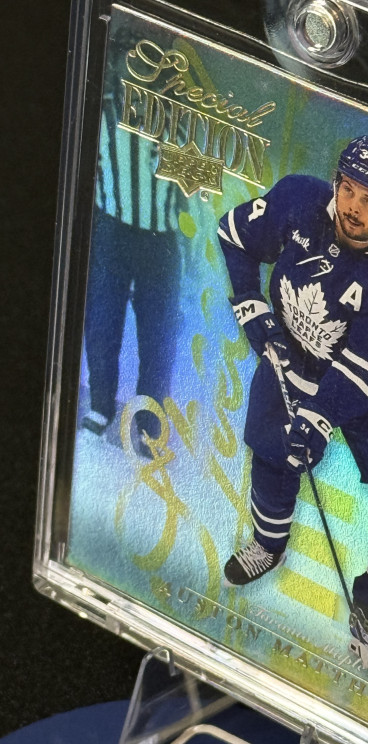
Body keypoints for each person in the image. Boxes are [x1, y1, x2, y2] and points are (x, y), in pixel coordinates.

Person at [217, 136, 368, 688]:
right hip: (290, 361)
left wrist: (318, 419)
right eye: (348, 190)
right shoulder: (298, 199)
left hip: (366, 393)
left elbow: (362, 372)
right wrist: (249, 302)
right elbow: (234, 234)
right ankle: (268, 545)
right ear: (336, 184)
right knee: (273, 457)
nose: (353, 207)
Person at [81, 27, 182, 453]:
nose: (141, 69)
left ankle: (146, 420)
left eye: (152, 60)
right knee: (102, 321)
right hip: (112, 229)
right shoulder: (101, 109)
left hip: (161, 238)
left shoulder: (180, 118)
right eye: (133, 57)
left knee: (157, 334)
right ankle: (101, 404)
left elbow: (198, 182)